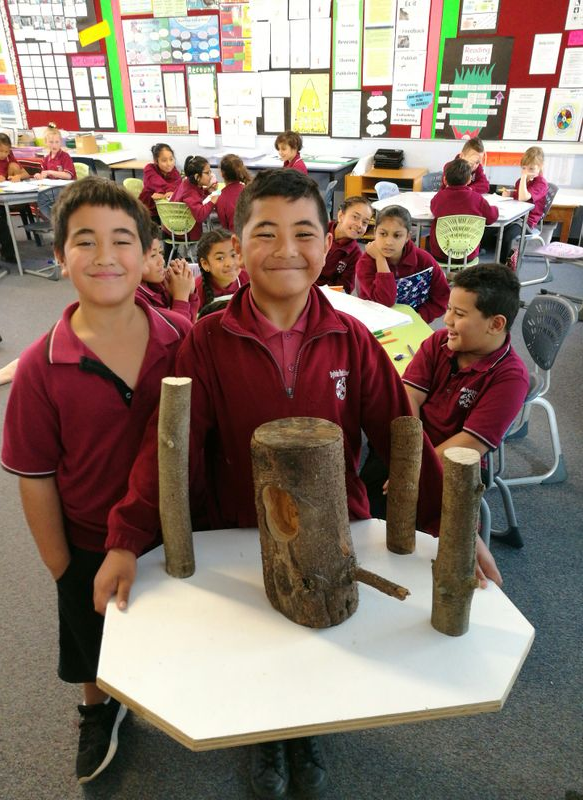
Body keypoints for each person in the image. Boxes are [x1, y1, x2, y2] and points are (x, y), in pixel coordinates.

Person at [95, 169, 501, 800]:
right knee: (256, 645)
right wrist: (126, 538)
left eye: (304, 232)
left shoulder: (352, 338)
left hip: (335, 530)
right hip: (240, 529)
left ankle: (306, 729)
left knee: (320, 643)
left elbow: (403, 439)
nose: (287, 249)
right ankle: (263, 734)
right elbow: (167, 447)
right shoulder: (207, 342)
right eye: (266, 233)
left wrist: (453, 527)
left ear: (329, 241)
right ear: (236, 244)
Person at [1, 177, 191, 785]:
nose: (105, 256)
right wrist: (60, 566)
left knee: (181, 628)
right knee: (90, 639)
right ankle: (98, 709)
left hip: (177, 530)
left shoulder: (181, 340)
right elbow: (35, 475)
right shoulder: (41, 365)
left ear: (148, 254)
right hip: (86, 538)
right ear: (60, 257)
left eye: (122, 240)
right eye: (85, 241)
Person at [361, 264, 529, 552]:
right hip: (411, 449)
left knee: (420, 545)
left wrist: (416, 469)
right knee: (363, 514)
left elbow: (470, 443)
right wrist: (408, 456)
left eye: (459, 314)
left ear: (496, 324)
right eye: (449, 308)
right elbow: (410, 397)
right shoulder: (438, 342)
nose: (447, 319)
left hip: (453, 465)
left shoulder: (510, 377)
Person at [357, 206, 450, 323]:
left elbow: (442, 296)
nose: (388, 242)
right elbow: (385, 301)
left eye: (397, 235)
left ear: (407, 237)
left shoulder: (424, 261)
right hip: (377, 324)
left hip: (415, 322)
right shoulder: (366, 263)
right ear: (375, 232)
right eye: (383, 234)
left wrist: (421, 316)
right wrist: (380, 259)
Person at [429, 158, 499, 264]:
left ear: (445, 180)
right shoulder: (477, 199)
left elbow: (434, 210)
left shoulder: (439, 198)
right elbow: (491, 218)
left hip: (441, 254)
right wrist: (496, 209)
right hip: (468, 254)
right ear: (469, 180)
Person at [135, 223, 198, 325]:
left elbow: (190, 326)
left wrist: (189, 292)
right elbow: (177, 332)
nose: (162, 261)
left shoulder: (160, 285)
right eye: (153, 255)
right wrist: (181, 297)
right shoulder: (135, 301)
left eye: (161, 252)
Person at [0, 132, 30, 262]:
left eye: (6, 151)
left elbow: (26, 174)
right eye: (1, 151)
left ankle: (6, 250)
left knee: (14, 166)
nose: (4, 154)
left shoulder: (10, 157)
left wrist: (18, 176)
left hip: (12, 194)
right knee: (0, 219)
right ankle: (6, 252)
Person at [499, 146, 548, 268]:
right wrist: (510, 194)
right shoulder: (521, 182)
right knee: (493, 229)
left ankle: (502, 266)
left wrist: (523, 177)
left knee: (507, 236)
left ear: (540, 166)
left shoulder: (541, 183)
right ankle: (506, 258)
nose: (526, 171)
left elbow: (523, 197)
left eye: (531, 169)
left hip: (527, 222)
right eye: (524, 168)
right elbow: (517, 198)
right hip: (515, 217)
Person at [316, 195, 372, 294]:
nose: (359, 225)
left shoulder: (355, 255)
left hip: (324, 295)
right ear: (341, 216)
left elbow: (344, 287)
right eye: (355, 217)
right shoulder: (318, 230)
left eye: (365, 222)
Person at [191, 227, 248, 319]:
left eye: (233, 255)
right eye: (220, 258)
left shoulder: (250, 280)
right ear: (205, 264)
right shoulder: (196, 290)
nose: (229, 263)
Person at [169, 154, 219, 242]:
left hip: (173, 227)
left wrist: (207, 191)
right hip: (183, 232)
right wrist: (212, 201)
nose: (211, 175)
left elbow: (196, 199)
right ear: (197, 177)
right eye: (207, 173)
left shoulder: (188, 183)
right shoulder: (190, 192)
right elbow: (200, 216)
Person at [139, 143, 182, 221]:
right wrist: (168, 193)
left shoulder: (174, 172)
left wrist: (163, 195)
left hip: (168, 210)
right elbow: (159, 184)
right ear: (156, 161)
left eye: (171, 159)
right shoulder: (149, 169)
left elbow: (178, 188)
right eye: (164, 160)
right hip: (148, 210)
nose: (169, 164)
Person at [215, 153, 252, 231]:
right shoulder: (250, 190)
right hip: (252, 234)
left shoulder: (221, 198)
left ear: (222, 173)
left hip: (235, 236)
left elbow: (225, 227)